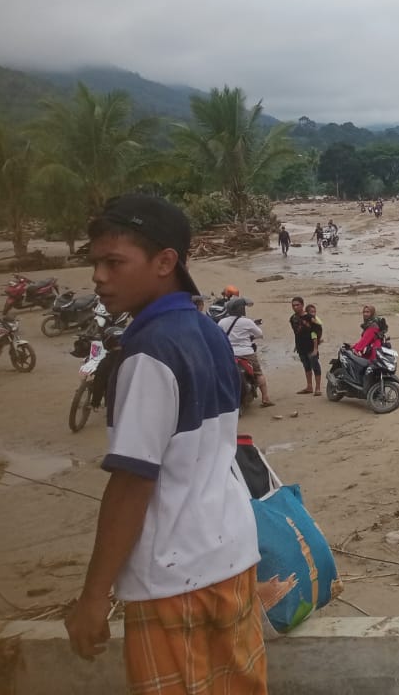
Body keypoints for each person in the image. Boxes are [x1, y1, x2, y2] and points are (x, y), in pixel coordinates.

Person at [64, 194, 265, 693]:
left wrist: (94, 597)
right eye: (96, 263)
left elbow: (132, 484)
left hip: (174, 576)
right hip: (233, 555)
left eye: (114, 262)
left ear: (165, 262)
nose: (98, 278)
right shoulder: (207, 331)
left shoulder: (148, 352)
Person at [218, 297, 273, 407]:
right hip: (246, 353)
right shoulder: (247, 322)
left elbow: (219, 336)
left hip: (229, 354)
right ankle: (265, 398)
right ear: (241, 309)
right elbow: (259, 334)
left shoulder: (222, 321)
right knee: (258, 373)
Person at [289, 297, 323, 395]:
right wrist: (296, 345)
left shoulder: (309, 318)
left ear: (302, 305)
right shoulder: (293, 319)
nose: (295, 307)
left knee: (315, 365)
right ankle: (309, 386)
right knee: (306, 366)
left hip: (311, 346)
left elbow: (316, 332)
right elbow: (296, 333)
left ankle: (318, 388)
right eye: (293, 305)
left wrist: (316, 348)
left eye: (297, 305)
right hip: (301, 346)